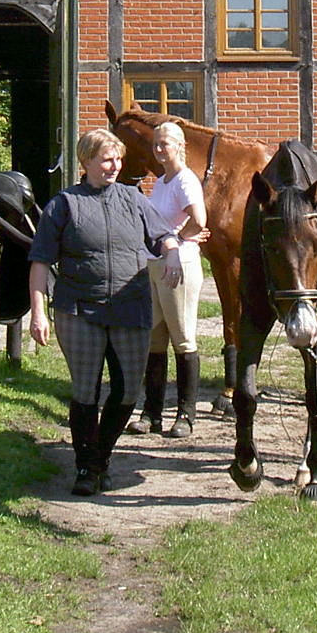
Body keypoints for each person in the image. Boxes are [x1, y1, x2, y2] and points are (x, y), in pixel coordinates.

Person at [28, 128, 183, 497]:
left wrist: (173, 251)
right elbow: (39, 261)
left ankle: (102, 456)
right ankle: (86, 466)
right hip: (79, 309)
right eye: (106, 159)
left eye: (118, 159)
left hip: (130, 309)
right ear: (86, 162)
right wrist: (38, 312)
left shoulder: (133, 198)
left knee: (129, 391)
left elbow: (162, 235)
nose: (114, 166)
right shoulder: (65, 204)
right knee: (86, 390)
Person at [127, 121, 208, 438]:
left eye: (165, 144)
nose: (159, 149)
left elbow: (199, 220)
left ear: (180, 146)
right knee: (155, 339)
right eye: (156, 144)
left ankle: (186, 415)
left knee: (183, 338)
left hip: (179, 267)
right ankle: (152, 413)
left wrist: (176, 241)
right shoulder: (161, 182)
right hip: (156, 267)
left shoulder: (185, 181)